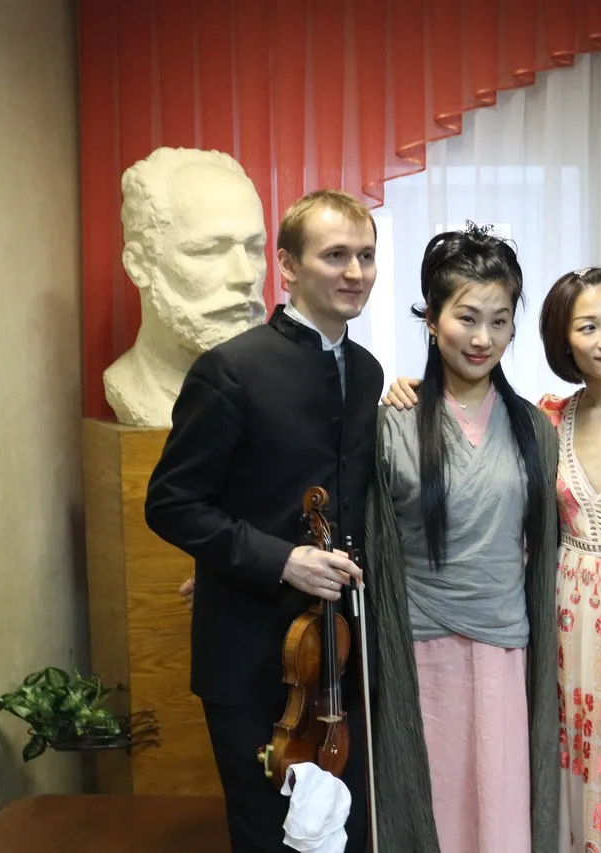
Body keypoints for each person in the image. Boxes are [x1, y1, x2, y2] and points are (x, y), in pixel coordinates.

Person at [383, 267, 601, 851]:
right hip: (569, 634)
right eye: (588, 327)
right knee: (572, 787)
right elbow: (485, 449)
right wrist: (412, 389)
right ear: (563, 339)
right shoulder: (548, 418)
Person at [145, 188, 385, 853]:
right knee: (270, 836)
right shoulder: (230, 369)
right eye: (335, 255)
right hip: (252, 655)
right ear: (287, 265)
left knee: (342, 831)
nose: (355, 271)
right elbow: (171, 502)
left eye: (366, 256)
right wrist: (276, 558)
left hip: (339, 653)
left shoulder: (368, 372)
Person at [360, 226, 561, 852]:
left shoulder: (534, 428)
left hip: (506, 651)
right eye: (466, 318)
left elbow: (543, 552)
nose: (482, 338)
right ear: (431, 319)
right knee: (434, 811)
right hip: (418, 652)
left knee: (500, 814)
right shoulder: (390, 422)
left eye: (499, 322)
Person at [106, 147, 270, 427]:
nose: (246, 276)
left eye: (254, 249)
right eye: (209, 251)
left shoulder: (279, 390)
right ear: (139, 264)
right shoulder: (128, 386)